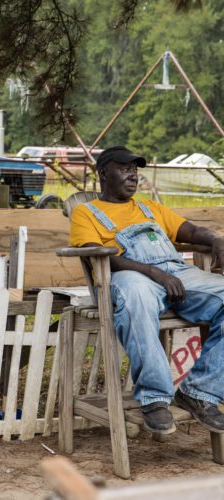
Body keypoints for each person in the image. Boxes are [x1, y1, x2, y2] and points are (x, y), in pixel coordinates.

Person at [70, 145, 224, 435]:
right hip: (129, 276)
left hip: (178, 276)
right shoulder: (86, 213)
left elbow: (189, 231)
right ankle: (154, 398)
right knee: (136, 295)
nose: (133, 174)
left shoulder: (149, 209)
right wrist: (154, 272)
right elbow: (95, 253)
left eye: (135, 169)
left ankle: (200, 393)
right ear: (103, 172)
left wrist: (215, 239)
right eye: (125, 167)